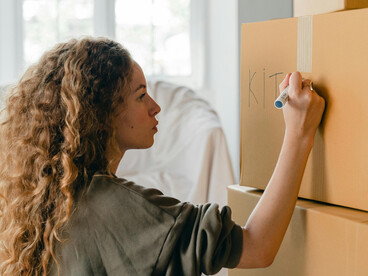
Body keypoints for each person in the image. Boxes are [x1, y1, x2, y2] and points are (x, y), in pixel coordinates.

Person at [0, 37, 325, 276]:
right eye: (141, 96)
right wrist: (299, 134)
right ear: (101, 114)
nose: (156, 107)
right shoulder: (111, 207)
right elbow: (256, 247)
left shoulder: (45, 201)